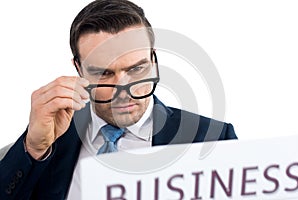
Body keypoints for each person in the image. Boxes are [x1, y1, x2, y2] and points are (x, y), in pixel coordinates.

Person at [0, 0, 237, 199]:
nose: (122, 89)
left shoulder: (213, 139)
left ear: (153, 60)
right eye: (104, 73)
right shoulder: (46, 145)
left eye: (136, 69)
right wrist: (33, 148)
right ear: (79, 69)